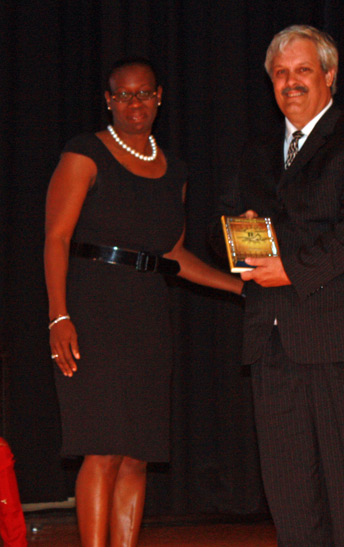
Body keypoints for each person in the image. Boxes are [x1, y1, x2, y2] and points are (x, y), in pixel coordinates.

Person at [209, 25, 344, 546]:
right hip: (273, 344)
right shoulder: (255, 151)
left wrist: (290, 269)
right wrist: (237, 238)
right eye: (280, 73)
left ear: (329, 76)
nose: (290, 82)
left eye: (302, 71)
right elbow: (221, 227)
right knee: (292, 498)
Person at [44, 57, 242, 547]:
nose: (135, 103)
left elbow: (173, 253)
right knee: (103, 449)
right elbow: (56, 238)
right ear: (109, 101)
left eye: (144, 93)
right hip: (92, 309)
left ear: (159, 98)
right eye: (123, 95)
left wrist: (240, 287)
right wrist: (58, 315)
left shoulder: (175, 169)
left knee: (137, 453)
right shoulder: (85, 153)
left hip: (147, 314)